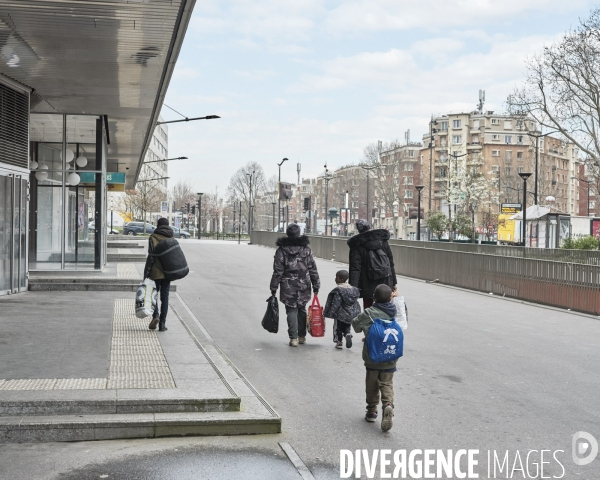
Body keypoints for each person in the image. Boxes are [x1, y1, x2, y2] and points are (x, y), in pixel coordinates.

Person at [352, 284, 398, 431]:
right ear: (391, 298)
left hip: (372, 356)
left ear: (374, 298)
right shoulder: (395, 311)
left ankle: (372, 411)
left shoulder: (369, 313)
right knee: (386, 383)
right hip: (391, 354)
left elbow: (356, 325)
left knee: (372, 384)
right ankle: (388, 405)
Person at [270, 224, 320, 347]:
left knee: (291, 309)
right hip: (304, 284)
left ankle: (293, 338)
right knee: (302, 308)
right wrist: (316, 284)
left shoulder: (281, 250)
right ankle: (302, 336)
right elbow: (312, 269)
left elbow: (278, 271)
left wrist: (274, 287)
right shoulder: (306, 250)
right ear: (299, 233)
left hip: (287, 285)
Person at [347, 220, 397, 309]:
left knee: (368, 307)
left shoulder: (357, 245)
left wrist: (353, 287)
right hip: (385, 280)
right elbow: (390, 262)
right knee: (384, 306)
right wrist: (394, 282)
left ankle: (370, 322)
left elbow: (355, 268)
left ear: (358, 230)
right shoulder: (382, 240)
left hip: (367, 282)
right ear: (370, 227)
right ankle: (383, 322)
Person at [143, 217, 173, 332]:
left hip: (155, 272)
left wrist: (146, 273)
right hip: (167, 272)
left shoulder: (152, 238)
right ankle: (162, 323)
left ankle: (155, 316)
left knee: (153, 295)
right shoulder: (171, 237)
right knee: (165, 298)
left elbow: (151, 257)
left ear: (157, 225)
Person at [323, 270, 360, 349]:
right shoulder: (353, 290)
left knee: (338, 328)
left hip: (340, 314)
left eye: (337, 278)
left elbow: (336, 302)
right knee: (347, 326)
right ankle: (348, 334)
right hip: (351, 314)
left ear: (341, 280)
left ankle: (339, 342)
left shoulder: (339, 290)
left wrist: (331, 312)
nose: (335, 279)